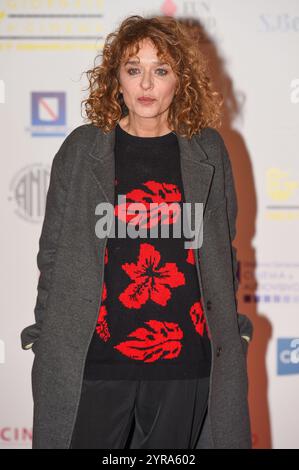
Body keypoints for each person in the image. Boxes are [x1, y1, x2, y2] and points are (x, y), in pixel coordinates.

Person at [20, 15, 253, 449]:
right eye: (134, 69)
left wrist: (233, 334)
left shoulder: (208, 150)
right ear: (117, 80)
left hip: (185, 363)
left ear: (179, 80)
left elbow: (225, 249)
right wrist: (46, 336)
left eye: (160, 70)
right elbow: (51, 254)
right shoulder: (81, 148)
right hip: (95, 361)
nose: (146, 83)